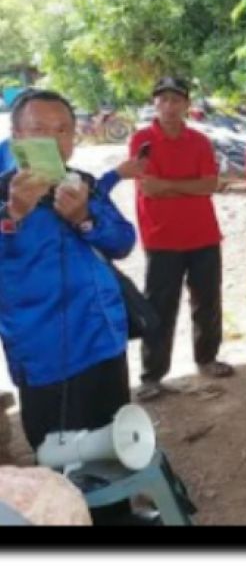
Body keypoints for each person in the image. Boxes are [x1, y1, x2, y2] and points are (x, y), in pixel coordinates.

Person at [0, 90, 136, 457]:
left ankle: (118, 515)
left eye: (62, 130)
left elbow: (123, 241)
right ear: (17, 138)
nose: (52, 140)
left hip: (103, 340)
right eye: (38, 129)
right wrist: (11, 216)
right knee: (63, 459)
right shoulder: (3, 193)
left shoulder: (84, 184)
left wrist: (85, 220)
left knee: (115, 442)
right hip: (44, 356)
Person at [129, 77, 235, 402]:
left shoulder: (200, 141)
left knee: (208, 301)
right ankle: (152, 375)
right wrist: (189, 185)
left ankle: (207, 358)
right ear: (155, 104)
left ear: (187, 105)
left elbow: (209, 185)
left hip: (203, 234)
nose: (170, 106)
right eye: (163, 100)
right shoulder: (142, 140)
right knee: (161, 307)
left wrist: (169, 186)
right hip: (161, 239)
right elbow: (148, 187)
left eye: (176, 100)